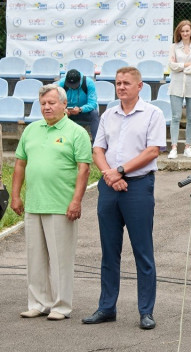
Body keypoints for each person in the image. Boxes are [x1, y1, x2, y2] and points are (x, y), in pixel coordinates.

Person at [82, 67, 166, 330]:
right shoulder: (108, 114)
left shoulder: (153, 113)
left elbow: (152, 151)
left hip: (138, 187)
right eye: (118, 83)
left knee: (143, 251)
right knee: (109, 251)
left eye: (126, 83)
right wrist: (110, 175)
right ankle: (107, 307)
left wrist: (120, 171)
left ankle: (146, 311)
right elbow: (98, 149)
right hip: (109, 187)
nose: (121, 87)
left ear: (139, 86)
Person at [11, 84, 92, 320]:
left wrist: (76, 201)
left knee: (60, 260)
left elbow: (84, 169)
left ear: (64, 105)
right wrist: (15, 195)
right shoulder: (31, 130)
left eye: (52, 103)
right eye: (43, 103)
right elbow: (20, 164)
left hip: (61, 205)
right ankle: (38, 303)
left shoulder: (76, 132)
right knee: (34, 258)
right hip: (34, 203)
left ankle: (61, 306)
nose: (47, 107)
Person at [167, 20, 191, 159]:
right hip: (176, 85)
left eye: (187, 31)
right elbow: (171, 65)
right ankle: (174, 147)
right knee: (175, 117)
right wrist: (186, 65)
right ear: (179, 32)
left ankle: (188, 147)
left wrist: (180, 67)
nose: (185, 33)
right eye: (183, 31)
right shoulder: (174, 47)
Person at [59, 69, 100, 142]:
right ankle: (58, 141)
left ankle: (96, 143)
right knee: (56, 113)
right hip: (67, 112)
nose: (72, 87)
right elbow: (56, 101)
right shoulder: (61, 84)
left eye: (75, 85)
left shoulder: (88, 83)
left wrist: (81, 109)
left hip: (83, 112)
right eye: (70, 85)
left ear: (80, 80)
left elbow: (93, 103)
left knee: (94, 113)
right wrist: (63, 110)